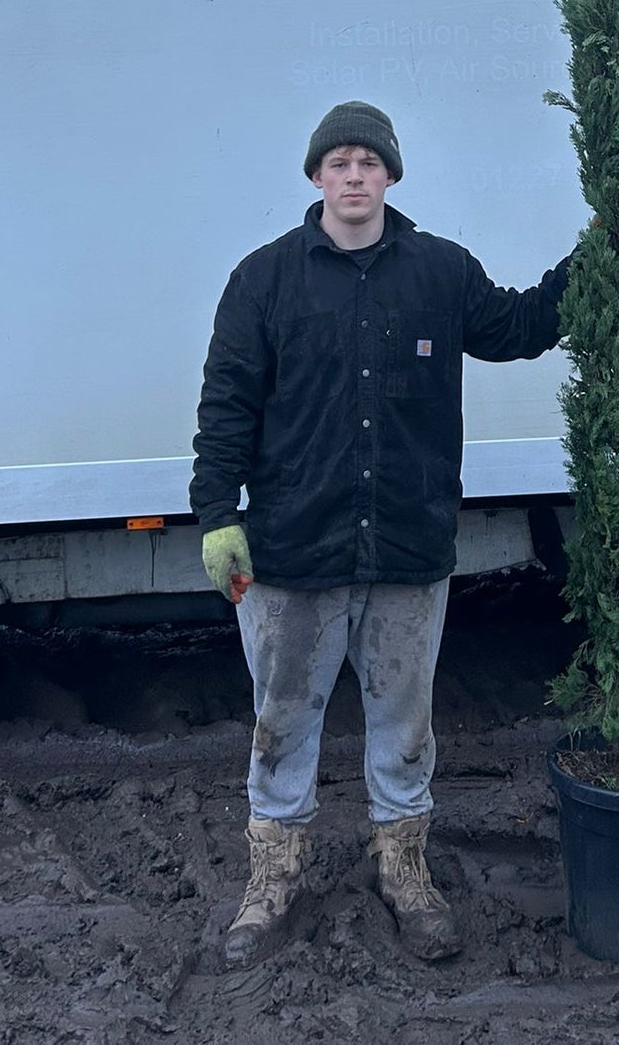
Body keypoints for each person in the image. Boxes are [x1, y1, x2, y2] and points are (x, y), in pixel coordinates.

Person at [191, 101, 570, 964]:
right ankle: (272, 879)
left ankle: (404, 870)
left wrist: (593, 261)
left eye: (369, 161)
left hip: (407, 546)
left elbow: (517, 327)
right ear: (316, 176)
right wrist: (218, 515)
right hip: (294, 551)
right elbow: (227, 405)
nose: (354, 175)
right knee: (281, 722)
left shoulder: (439, 271)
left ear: (390, 175)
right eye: (339, 162)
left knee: (403, 724)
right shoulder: (265, 279)